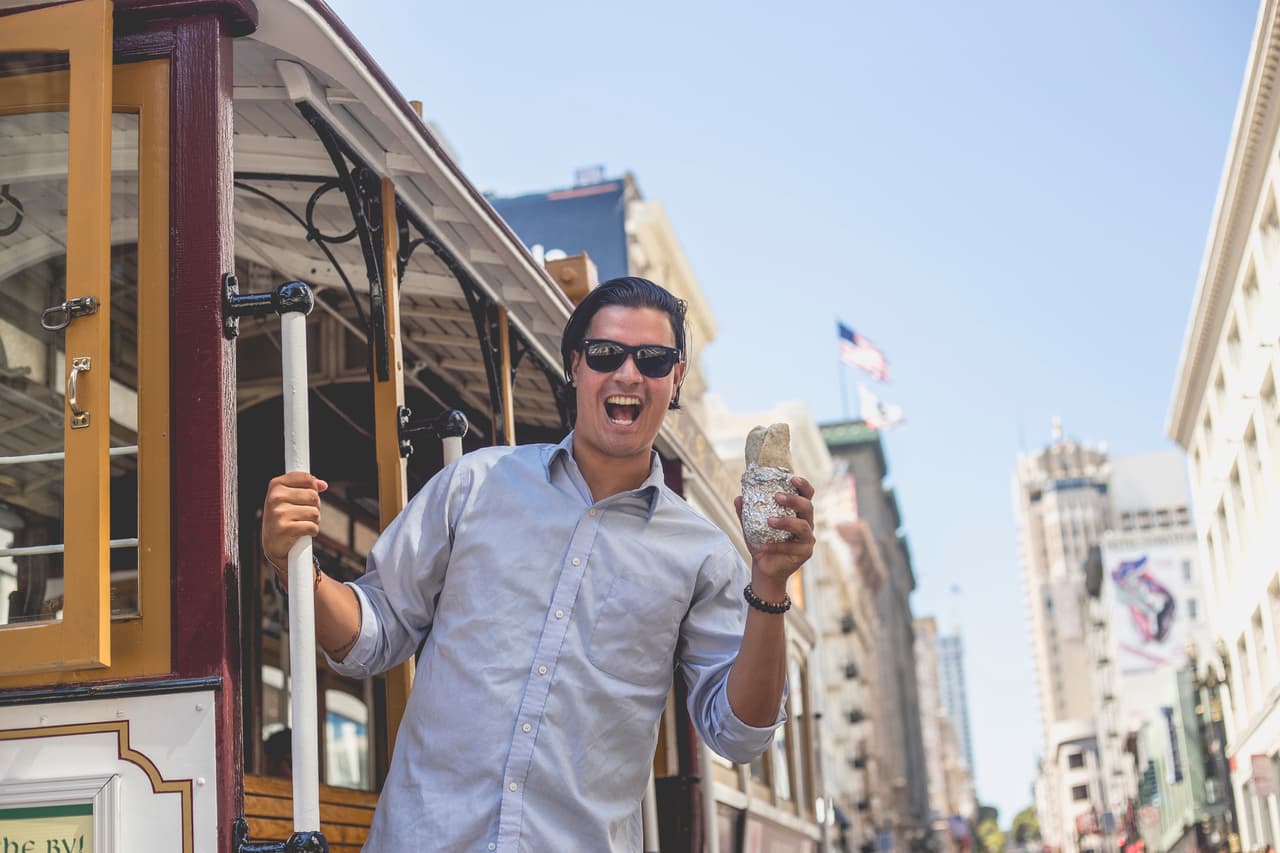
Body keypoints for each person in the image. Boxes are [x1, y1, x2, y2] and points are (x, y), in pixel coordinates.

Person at [261, 276, 816, 851]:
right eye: (606, 355)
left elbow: (738, 736)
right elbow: (373, 633)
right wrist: (296, 566)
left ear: (675, 379)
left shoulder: (703, 554)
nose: (628, 373)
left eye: (653, 360)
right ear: (575, 366)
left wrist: (770, 585)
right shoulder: (473, 485)